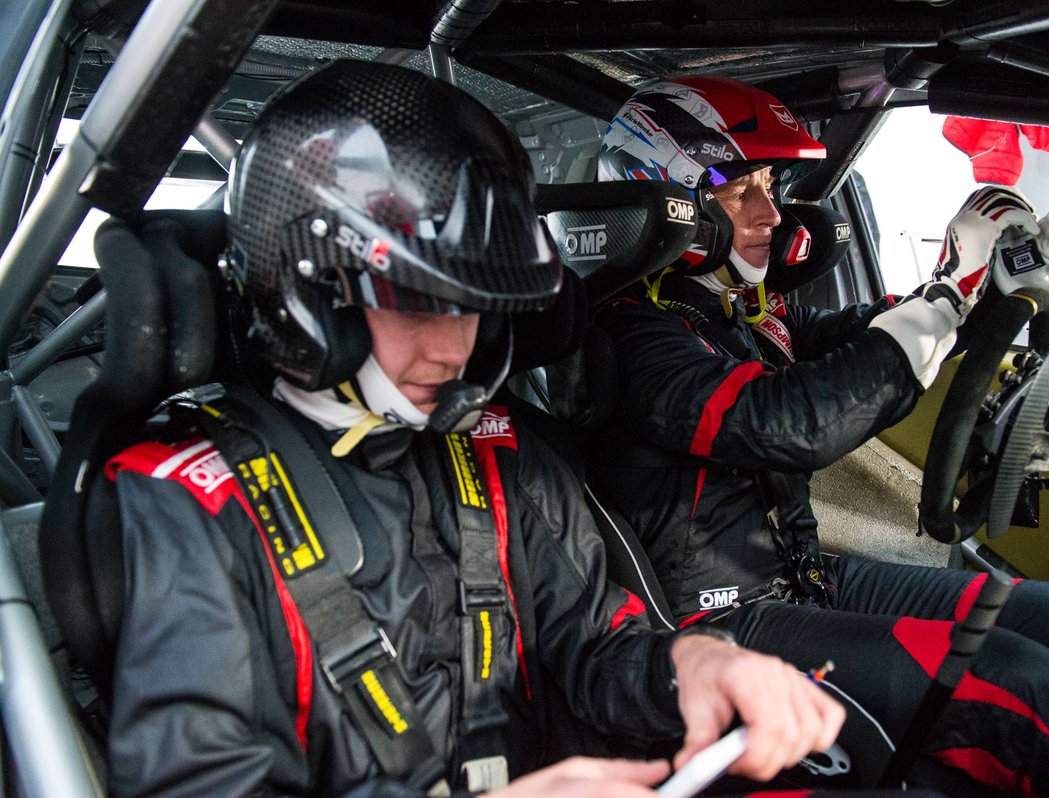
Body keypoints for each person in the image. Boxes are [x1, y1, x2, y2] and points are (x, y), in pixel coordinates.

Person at [99, 62, 852, 797]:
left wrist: (690, 667)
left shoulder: (501, 448)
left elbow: (595, 645)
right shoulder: (192, 501)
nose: (453, 349)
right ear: (307, 291)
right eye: (419, 302)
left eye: (476, 308)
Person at [589, 75, 1049, 797]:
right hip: (717, 625)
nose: (770, 211)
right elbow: (789, 422)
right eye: (737, 189)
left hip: (805, 579)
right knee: (1018, 684)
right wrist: (946, 289)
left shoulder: (742, 314)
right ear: (668, 197)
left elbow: (881, 340)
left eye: (769, 183)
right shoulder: (626, 335)